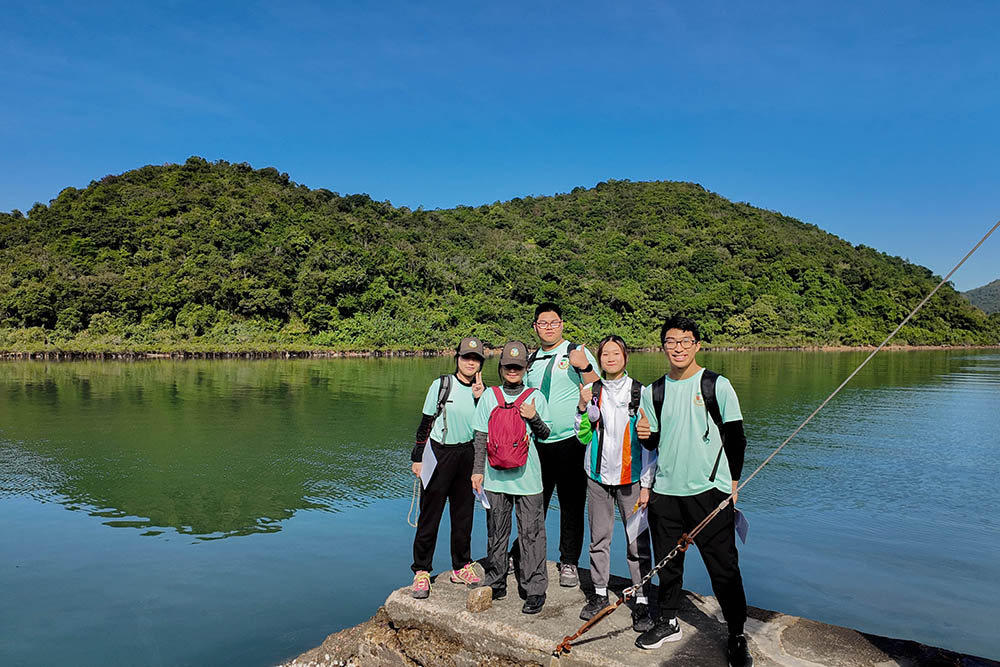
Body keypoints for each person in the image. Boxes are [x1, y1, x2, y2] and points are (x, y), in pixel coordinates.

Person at [634, 316, 753, 667]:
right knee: (668, 564)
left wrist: (732, 486)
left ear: (697, 345)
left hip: (709, 491)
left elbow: (736, 438)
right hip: (666, 492)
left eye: (686, 341)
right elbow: (654, 441)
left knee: (724, 567)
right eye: (671, 341)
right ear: (663, 346)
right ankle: (668, 621)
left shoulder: (718, 386)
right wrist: (645, 434)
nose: (679, 348)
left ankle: (736, 633)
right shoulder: (653, 391)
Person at [575, 335, 655, 632]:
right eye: (605, 353)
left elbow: (650, 444)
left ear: (625, 357)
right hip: (596, 478)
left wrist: (647, 484)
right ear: (599, 359)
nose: (610, 358)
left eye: (615, 353)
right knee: (599, 538)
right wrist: (582, 408)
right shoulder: (591, 391)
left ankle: (643, 599)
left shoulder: (640, 393)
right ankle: (598, 593)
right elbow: (581, 435)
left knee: (637, 542)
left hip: (631, 480)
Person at [471, 340, 552, 614]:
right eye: (508, 366)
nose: (513, 371)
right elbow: (480, 436)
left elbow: (545, 434)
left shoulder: (535, 397)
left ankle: (534, 589)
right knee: (496, 531)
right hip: (494, 478)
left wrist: (534, 417)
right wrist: (477, 471)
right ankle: (496, 581)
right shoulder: (489, 396)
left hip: (528, 479)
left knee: (532, 534)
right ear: (501, 368)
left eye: (518, 366)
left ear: (525, 367)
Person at [525, 302, 599, 587]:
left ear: (562, 324)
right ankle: (526, 553)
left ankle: (569, 561)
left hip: (570, 441)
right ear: (535, 327)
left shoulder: (575, 352)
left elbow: (597, 389)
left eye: (553, 322)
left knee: (571, 505)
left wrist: (587, 366)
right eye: (542, 323)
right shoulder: (531, 359)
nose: (548, 328)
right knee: (533, 504)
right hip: (538, 441)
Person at [409, 337, 486, 599]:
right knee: (430, 514)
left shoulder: (482, 392)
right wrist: (418, 457)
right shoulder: (442, 385)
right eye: (466, 357)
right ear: (457, 358)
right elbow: (426, 422)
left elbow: (484, 429)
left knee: (463, 515)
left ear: (480, 364)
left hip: (468, 454)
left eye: (475, 359)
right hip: (439, 453)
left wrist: (480, 397)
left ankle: (461, 565)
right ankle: (421, 570)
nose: (470, 362)